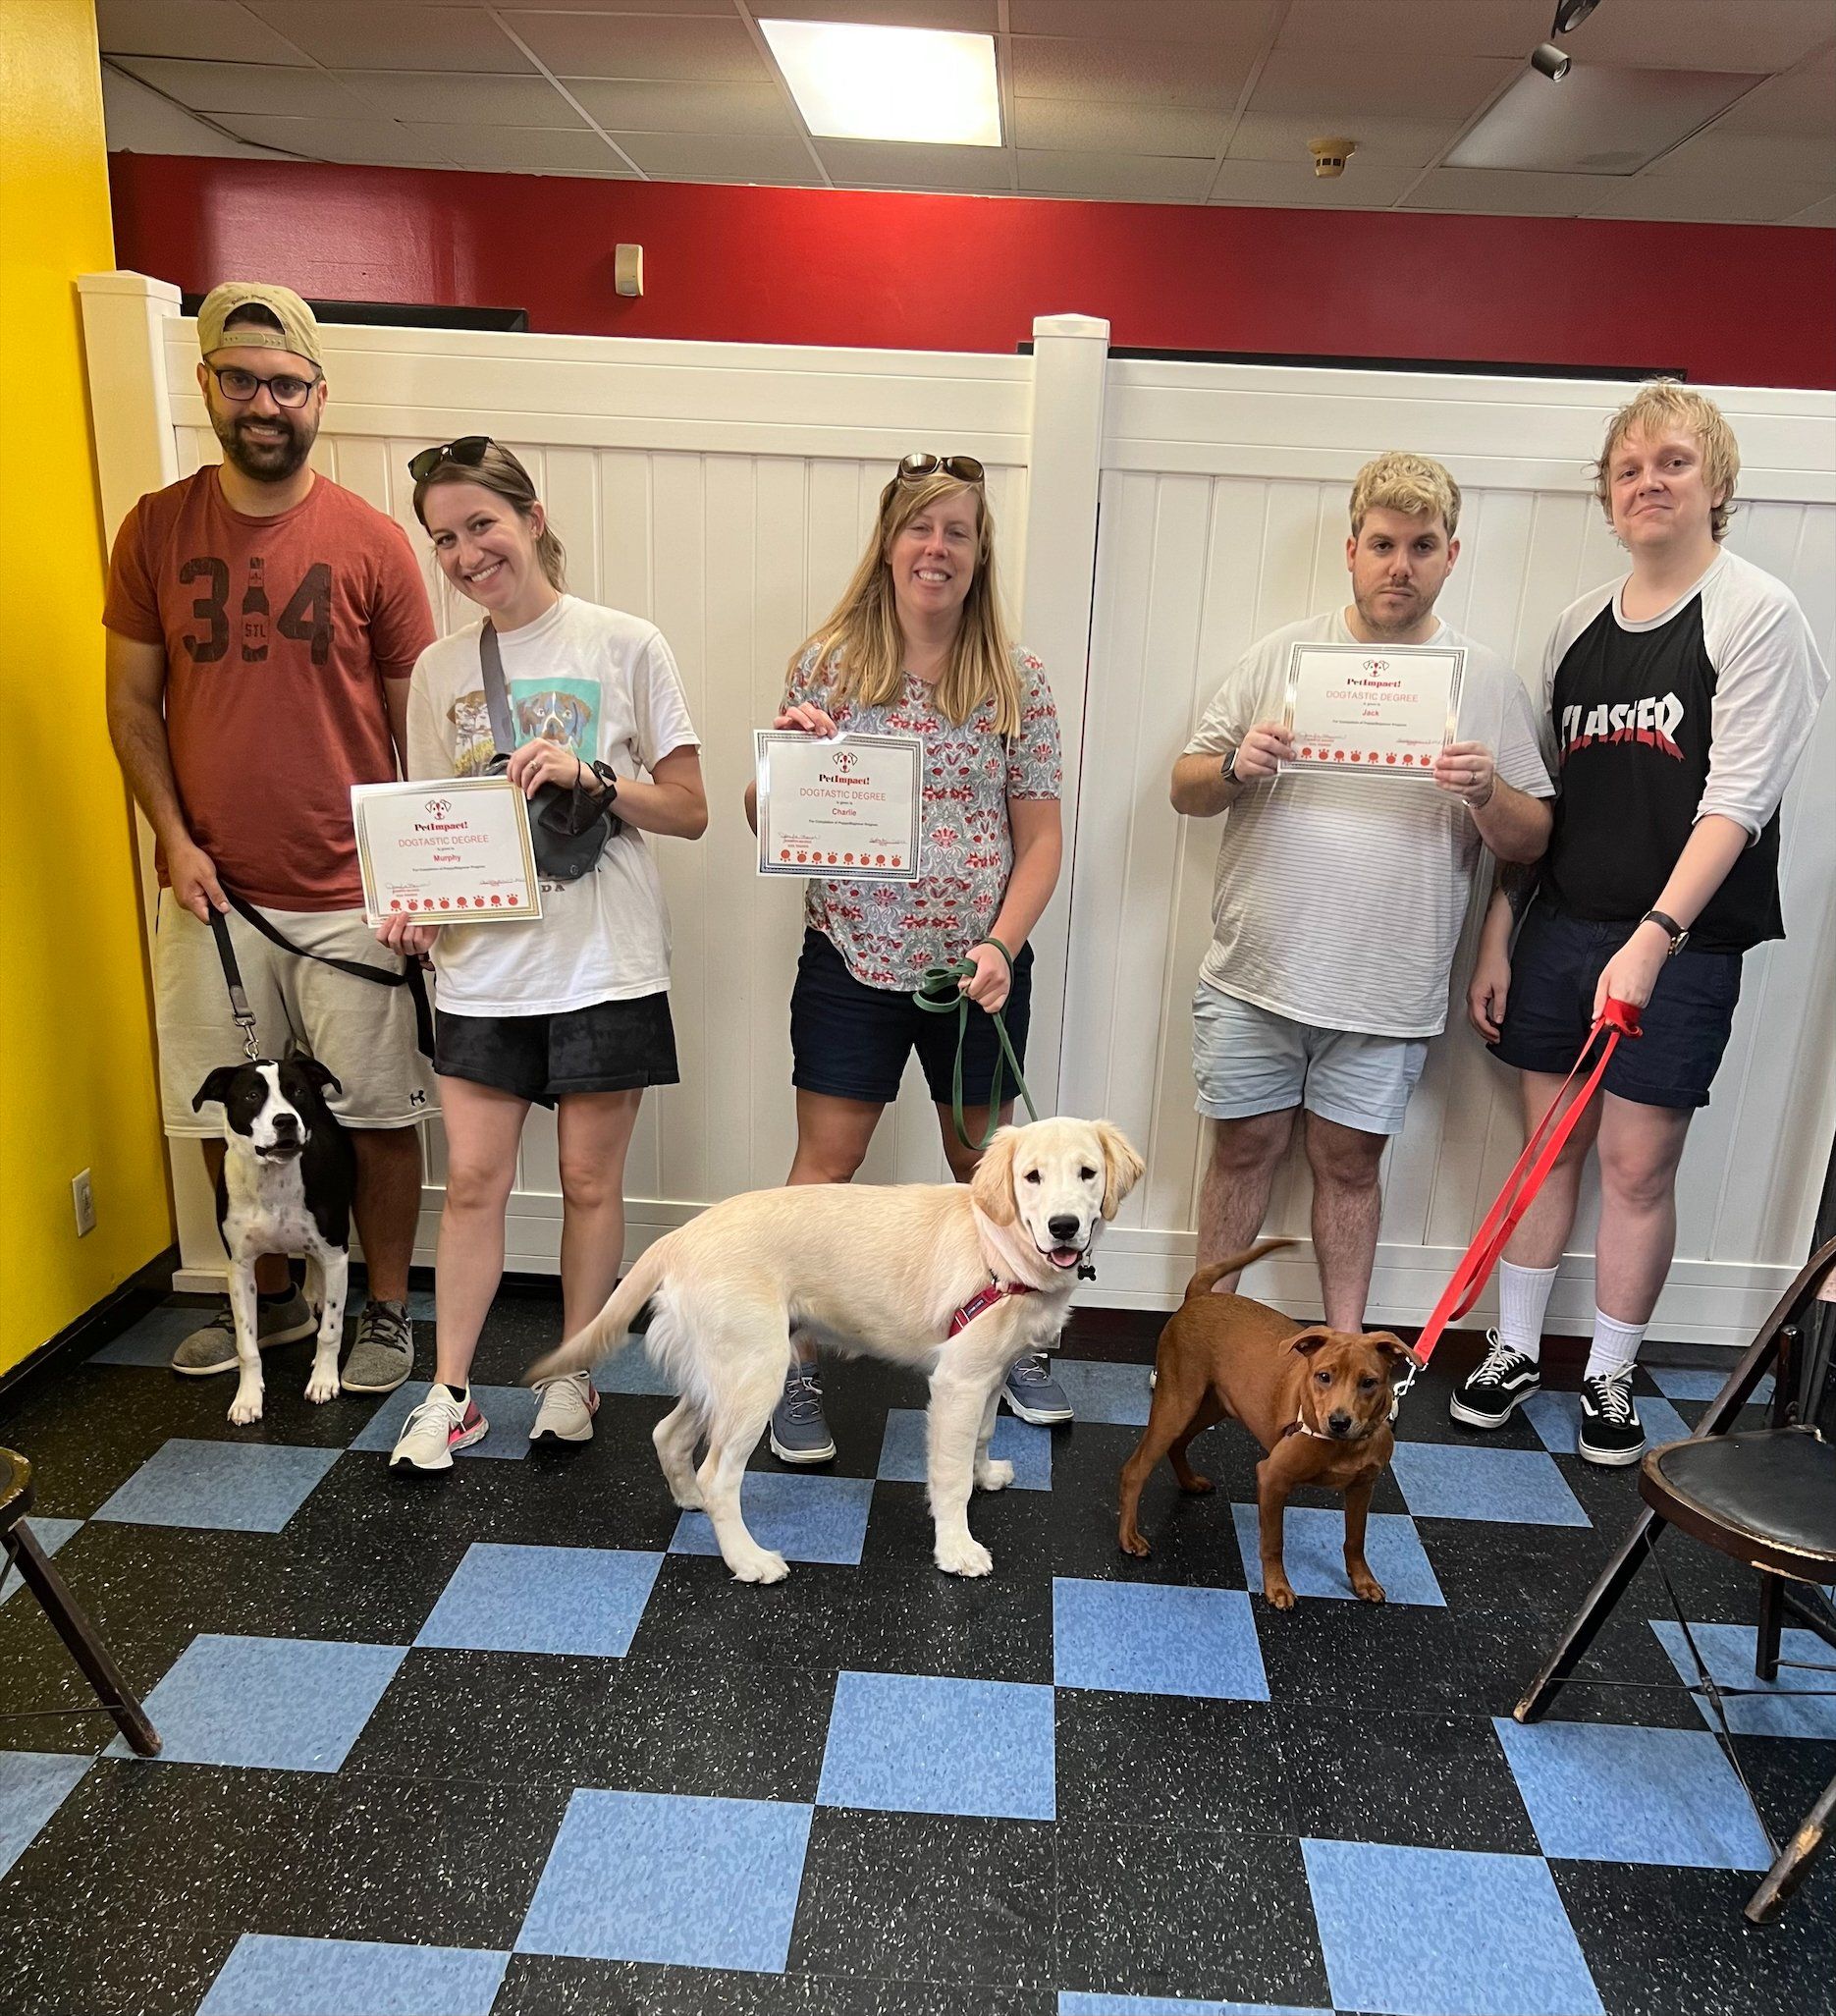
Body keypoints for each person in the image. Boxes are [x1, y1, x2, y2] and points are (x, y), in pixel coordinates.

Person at [1453, 383, 1828, 1465]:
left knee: (1634, 1164)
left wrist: (1655, 936)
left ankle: (1610, 1373)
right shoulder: (1577, 626)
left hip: (1682, 942)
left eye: (1671, 462)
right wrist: (1497, 936)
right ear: (1608, 499)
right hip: (1563, 925)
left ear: (1716, 484)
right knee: (1543, 1151)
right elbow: (1542, 805)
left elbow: (1737, 803)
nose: (1648, 482)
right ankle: (1514, 1347)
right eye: (1627, 470)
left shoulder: (1755, 614)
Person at [105, 282, 437, 1394]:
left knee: (378, 1112)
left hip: (352, 890)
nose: (263, 402)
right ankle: (278, 1309)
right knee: (221, 1108)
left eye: (285, 384)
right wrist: (172, 838)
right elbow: (129, 704)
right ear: (207, 385)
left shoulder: (371, 542)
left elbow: (419, 724)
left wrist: (419, 881)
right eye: (241, 379)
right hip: (209, 887)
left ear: (317, 398)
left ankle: (383, 1310)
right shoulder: (154, 528)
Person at [1169, 452, 1553, 1331]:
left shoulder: (1484, 677)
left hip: (1387, 984)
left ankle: (1348, 1357)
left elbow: (1534, 838)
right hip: (1256, 971)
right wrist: (1236, 765)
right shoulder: (1284, 656)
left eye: (1422, 546)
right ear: (1351, 550)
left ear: (1451, 555)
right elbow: (1184, 787)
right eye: (1382, 544)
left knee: (1349, 1164)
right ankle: (1199, 1347)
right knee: (1242, 1151)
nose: (1399, 565)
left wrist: (1488, 791)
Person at [383, 439, 707, 1468]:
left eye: (481, 523)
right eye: (444, 537)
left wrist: (593, 776)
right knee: (473, 1180)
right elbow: (434, 824)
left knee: (585, 1182)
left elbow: (691, 809)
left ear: (530, 516)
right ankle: (450, 1393)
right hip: (485, 966)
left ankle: (571, 1373)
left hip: (603, 960)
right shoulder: (439, 668)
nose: (467, 552)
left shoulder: (625, 642)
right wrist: (417, 911)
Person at [743, 453, 1066, 1460]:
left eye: (957, 531)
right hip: (850, 955)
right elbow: (768, 821)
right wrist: (789, 763)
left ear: (978, 554)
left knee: (988, 1166)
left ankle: (1010, 1340)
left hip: (976, 971)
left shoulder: (1018, 682)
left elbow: (1043, 838)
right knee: (824, 1170)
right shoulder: (826, 666)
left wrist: (1000, 945)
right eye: (920, 528)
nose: (937, 548)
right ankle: (793, 1361)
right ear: (890, 544)